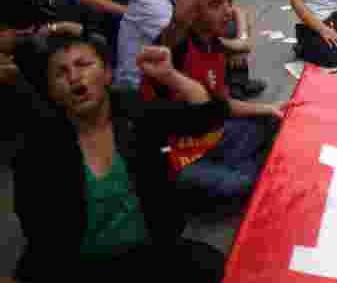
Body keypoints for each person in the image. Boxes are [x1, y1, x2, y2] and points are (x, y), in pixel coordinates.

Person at [1, 39, 228, 282]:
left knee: (220, 267)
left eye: (82, 64)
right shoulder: (37, 151)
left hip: (153, 253)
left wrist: (171, 75)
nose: (74, 77)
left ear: (108, 74)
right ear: (53, 93)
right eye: (61, 72)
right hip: (85, 270)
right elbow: (40, 236)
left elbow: (208, 117)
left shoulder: (135, 113)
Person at [147, 0, 280, 207]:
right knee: (243, 184)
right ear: (194, 11)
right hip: (176, 154)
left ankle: (239, 165)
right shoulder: (175, 44)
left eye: (228, 2)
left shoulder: (216, 45)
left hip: (210, 137)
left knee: (274, 123)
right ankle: (238, 170)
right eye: (215, 5)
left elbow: (224, 104)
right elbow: (180, 16)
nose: (228, 11)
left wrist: (271, 108)